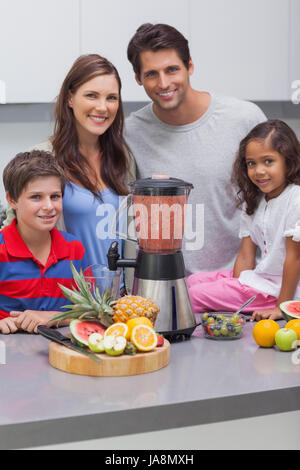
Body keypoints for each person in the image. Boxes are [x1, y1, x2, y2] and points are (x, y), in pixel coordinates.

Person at [125, 23, 266, 276]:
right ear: (138, 79)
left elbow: (277, 200)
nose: (164, 83)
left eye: (172, 69)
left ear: (189, 66)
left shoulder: (244, 118)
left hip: (237, 285)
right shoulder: (130, 132)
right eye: (151, 74)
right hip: (165, 287)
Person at [1, 54, 136, 273]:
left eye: (111, 98)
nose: (103, 107)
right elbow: (11, 234)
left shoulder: (124, 158)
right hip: (67, 301)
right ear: (70, 98)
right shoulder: (43, 158)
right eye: (92, 95)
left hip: (122, 300)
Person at [187, 120, 300, 321]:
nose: (259, 171)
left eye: (268, 161)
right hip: (260, 280)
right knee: (191, 282)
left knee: (192, 296)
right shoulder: (255, 200)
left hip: (278, 290)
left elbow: (295, 259)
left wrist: (281, 307)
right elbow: (246, 254)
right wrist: (235, 289)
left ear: (288, 162)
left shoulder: (295, 199)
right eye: (251, 163)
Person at [0, 150, 88, 334]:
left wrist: (52, 317)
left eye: (55, 196)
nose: (49, 206)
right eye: (36, 197)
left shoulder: (75, 249)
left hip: (64, 353)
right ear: (12, 200)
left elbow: (89, 311)